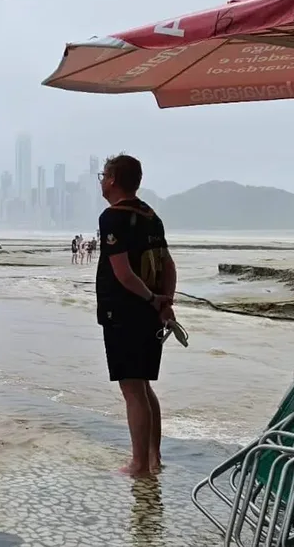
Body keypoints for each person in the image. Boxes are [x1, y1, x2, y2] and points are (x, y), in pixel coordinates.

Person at [96, 154, 177, 477]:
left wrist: (152, 298)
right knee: (143, 386)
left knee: (132, 389)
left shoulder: (112, 217)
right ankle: (154, 458)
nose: (102, 181)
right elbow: (168, 264)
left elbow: (123, 273)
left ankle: (139, 465)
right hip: (149, 314)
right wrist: (165, 302)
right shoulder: (150, 215)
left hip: (124, 313)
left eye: (103, 175)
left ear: (113, 179)